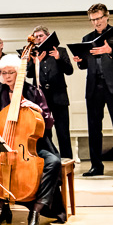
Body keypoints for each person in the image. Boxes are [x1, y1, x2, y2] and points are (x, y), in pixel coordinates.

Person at [0, 53, 65, 225]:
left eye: (11, 72)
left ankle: (36, 210)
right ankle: (1, 205)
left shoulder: (34, 92)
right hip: (5, 146)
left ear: (19, 72)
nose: (7, 76)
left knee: (53, 162)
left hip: (32, 146)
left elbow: (49, 122)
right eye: (3, 73)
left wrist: (36, 108)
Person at [71, 3, 113, 179]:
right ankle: (96, 166)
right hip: (94, 86)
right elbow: (85, 64)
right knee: (93, 128)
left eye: (99, 18)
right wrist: (80, 60)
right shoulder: (87, 38)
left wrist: (110, 50)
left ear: (107, 16)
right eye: (93, 20)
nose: (96, 22)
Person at [26, 26, 73, 159]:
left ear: (47, 36)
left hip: (59, 96)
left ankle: (67, 160)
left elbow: (69, 70)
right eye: (36, 37)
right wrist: (35, 62)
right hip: (41, 99)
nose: (38, 39)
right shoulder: (33, 53)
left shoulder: (60, 50)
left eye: (41, 36)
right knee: (44, 131)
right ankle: (50, 160)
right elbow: (29, 75)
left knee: (63, 131)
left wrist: (58, 58)